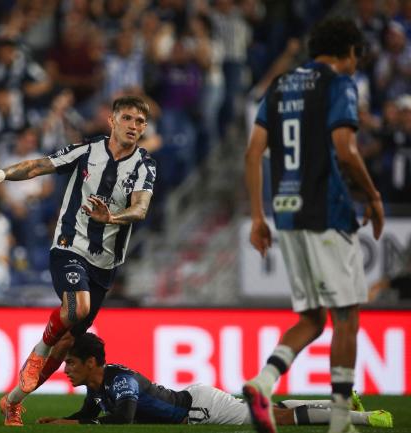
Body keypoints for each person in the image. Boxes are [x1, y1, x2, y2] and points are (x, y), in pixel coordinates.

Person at [243, 18, 385, 433]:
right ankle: (341, 422)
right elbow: (345, 145)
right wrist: (373, 195)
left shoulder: (280, 84)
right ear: (349, 52)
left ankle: (262, 381)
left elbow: (254, 154)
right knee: (346, 316)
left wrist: (258, 216)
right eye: (357, 56)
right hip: (327, 212)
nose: (357, 65)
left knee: (311, 317)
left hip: (285, 214)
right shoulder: (339, 82)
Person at [0, 95, 156, 426]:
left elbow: (141, 208)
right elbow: (40, 165)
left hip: (105, 265)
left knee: (66, 346)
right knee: (77, 308)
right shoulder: (87, 150)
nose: (134, 126)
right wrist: (3, 176)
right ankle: (36, 357)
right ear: (113, 120)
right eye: (128, 119)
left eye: (140, 122)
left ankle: (13, 401)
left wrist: (111, 219)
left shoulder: (145, 165)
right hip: (69, 246)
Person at [37, 333, 393, 428]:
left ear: (91, 362)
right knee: (276, 410)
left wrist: (78, 424)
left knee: (276, 419)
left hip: (201, 409)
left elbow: (124, 418)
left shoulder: (120, 381)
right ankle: (338, 405)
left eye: (70, 363)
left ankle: (365, 418)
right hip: (193, 399)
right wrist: (64, 421)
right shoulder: (97, 388)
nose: (64, 369)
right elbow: (89, 414)